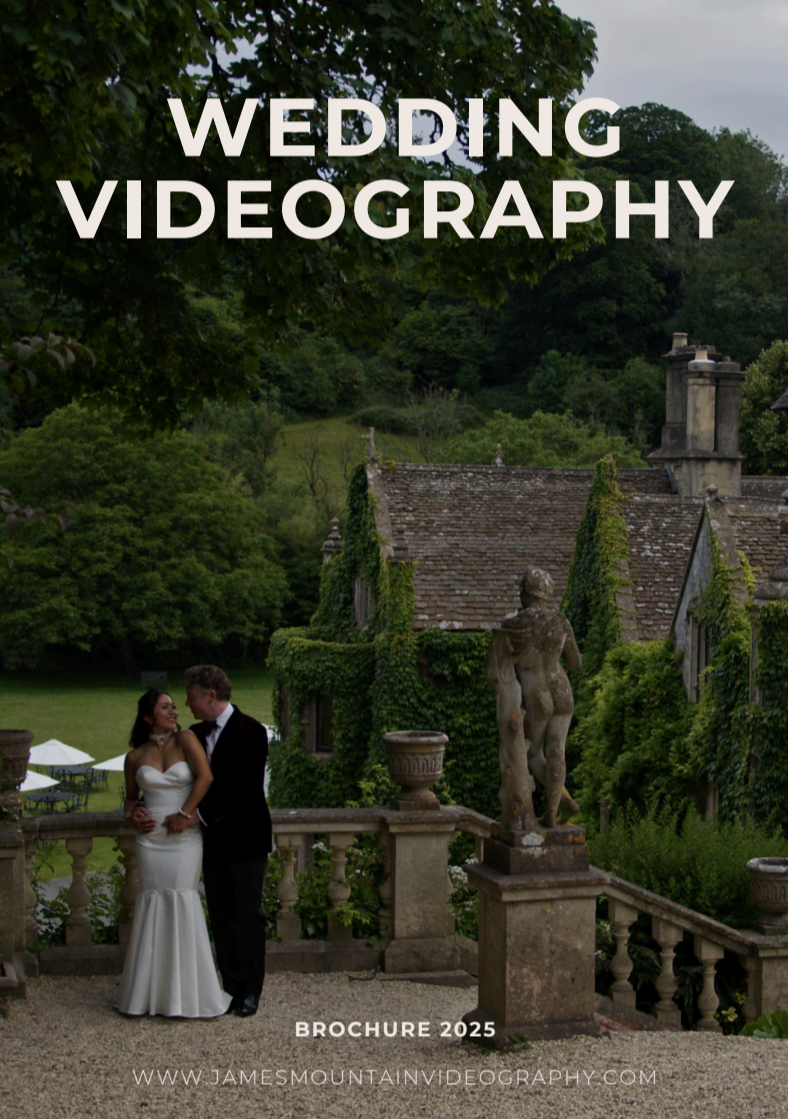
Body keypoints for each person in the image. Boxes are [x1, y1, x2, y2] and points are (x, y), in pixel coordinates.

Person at [116, 689, 232, 1017]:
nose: (173, 710)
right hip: (150, 838)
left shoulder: (185, 739)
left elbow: (206, 778)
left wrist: (184, 813)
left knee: (183, 897)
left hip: (184, 837)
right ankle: (148, 994)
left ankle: (191, 995)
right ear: (147, 716)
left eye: (173, 706)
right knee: (153, 900)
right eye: (164, 707)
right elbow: (129, 799)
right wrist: (131, 813)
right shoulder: (135, 756)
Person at [183, 664, 272, 1019]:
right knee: (220, 915)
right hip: (213, 843)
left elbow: (244, 786)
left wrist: (198, 815)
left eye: (191, 696)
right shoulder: (193, 733)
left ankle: (252, 990)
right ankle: (230, 986)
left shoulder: (252, 731)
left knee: (248, 915)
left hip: (248, 839)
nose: (187, 704)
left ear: (210, 695)